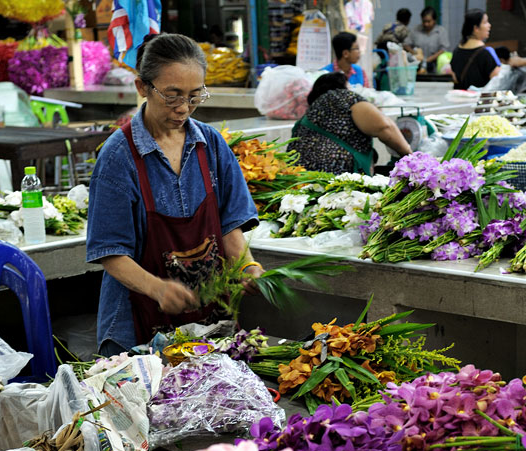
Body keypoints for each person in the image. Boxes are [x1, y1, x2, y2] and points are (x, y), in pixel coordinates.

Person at [86, 33, 260, 355]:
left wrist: (247, 267)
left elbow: (229, 225)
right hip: (137, 326)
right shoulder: (118, 157)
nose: (183, 109)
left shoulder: (211, 144)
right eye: (172, 96)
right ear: (142, 88)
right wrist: (158, 288)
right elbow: (109, 251)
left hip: (209, 319)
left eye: (194, 97)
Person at [289, 72, 411, 174]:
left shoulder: (310, 116)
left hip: (299, 178)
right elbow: (385, 127)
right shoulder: (341, 97)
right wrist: (411, 157)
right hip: (338, 178)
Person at [449, 10, 500, 89]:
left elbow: (455, 78)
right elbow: (497, 81)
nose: (489, 25)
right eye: (485, 22)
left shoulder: (457, 51)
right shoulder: (486, 53)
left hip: (460, 99)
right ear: (476, 28)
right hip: (480, 100)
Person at [413, 7, 449, 74]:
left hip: (435, 67)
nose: (426, 24)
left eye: (429, 21)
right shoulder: (416, 30)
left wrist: (428, 60)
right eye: (424, 21)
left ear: (434, 20)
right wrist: (416, 54)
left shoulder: (441, 31)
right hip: (418, 68)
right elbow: (407, 45)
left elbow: (443, 49)